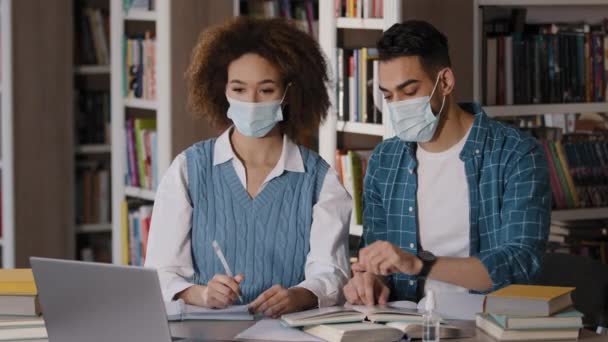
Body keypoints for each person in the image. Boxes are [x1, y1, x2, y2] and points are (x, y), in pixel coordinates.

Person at [145, 17, 351, 318]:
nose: (251, 101)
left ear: (289, 93)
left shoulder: (321, 181)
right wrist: (202, 294)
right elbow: (161, 273)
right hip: (205, 334)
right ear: (221, 89)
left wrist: (299, 295)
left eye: (266, 90)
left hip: (288, 334)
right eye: (239, 89)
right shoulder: (188, 170)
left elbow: (331, 273)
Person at [343, 20, 551, 305]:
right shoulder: (384, 161)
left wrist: (420, 265)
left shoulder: (516, 153)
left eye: (409, 91)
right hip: (407, 323)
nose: (398, 105)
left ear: (445, 82)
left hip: (487, 324)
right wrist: (369, 279)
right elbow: (377, 260)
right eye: (388, 95)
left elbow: (520, 263)